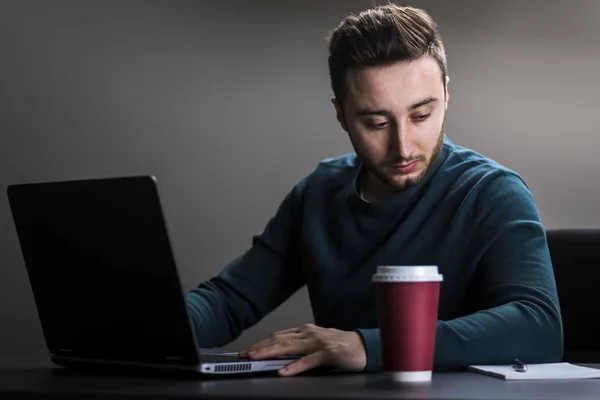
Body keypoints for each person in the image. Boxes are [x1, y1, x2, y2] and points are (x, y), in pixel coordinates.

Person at [186, 3, 563, 376]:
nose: (403, 146)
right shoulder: (319, 193)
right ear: (341, 115)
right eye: (377, 122)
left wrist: (367, 345)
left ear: (446, 95)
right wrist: (147, 324)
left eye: (421, 116)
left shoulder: (492, 193)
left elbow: (538, 327)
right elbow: (228, 301)